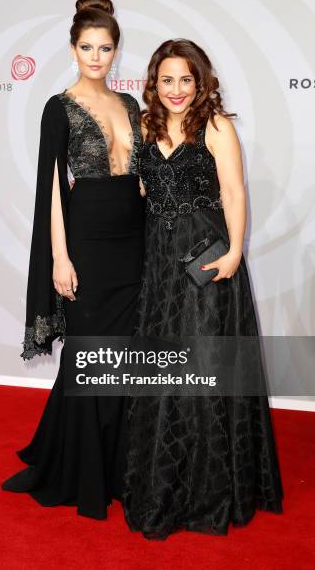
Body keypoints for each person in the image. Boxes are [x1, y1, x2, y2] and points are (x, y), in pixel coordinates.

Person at [122, 39, 283, 540]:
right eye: (166, 80)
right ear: (154, 83)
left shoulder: (216, 125)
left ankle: (210, 488)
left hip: (206, 252)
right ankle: (161, 482)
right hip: (157, 261)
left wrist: (235, 251)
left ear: (200, 82)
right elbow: (142, 192)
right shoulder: (145, 126)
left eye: (185, 80)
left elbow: (233, 191)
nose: (176, 90)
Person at [1, 0, 144, 520]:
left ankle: (116, 467)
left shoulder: (131, 106)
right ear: (72, 47)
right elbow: (53, 189)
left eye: (105, 48)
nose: (96, 57)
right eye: (87, 47)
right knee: (88, 355)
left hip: (134, 241)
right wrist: (61, 257)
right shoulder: (57, 107)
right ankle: (76, 468)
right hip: (84, 238)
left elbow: (145, 179)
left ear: (116, 51)